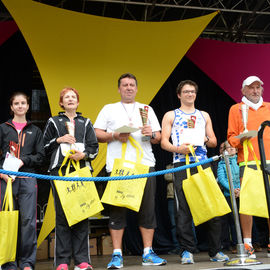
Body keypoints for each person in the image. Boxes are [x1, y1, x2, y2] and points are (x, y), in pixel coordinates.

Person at [94, 73, 166, 269]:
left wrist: (150, 133)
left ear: (136, 88)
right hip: (119, 166)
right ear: (119, 89)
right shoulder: (109, 109)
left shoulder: (147, 109)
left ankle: (148, 253)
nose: (128, 88)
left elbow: (158, 137)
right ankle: (117, 255)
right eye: (124, 85)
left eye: (132, 85)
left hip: (145, 165)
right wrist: (115, 135)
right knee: (117, 210)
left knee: (147, 211)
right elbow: (96, 133)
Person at [161, 80, 229, 264]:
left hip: (203, 163)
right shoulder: (170, 115)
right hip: (181, 164)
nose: (189, 94)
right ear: (179, 95)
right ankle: (187, 251)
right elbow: (163, 142)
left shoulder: (203, 115)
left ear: (196, 94)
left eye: (192, 91)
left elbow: (214, 141)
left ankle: (215, 251)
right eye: (186, 92)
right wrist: (178, 149)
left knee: (212, 206)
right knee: (183, 209)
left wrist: (203, 138)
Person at [43, 87, 99, 270]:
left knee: (82, 214)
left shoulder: (86, 122)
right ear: (61, 102)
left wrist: (83, 156)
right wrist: (59, 140)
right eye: (66, 97)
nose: (70, 99)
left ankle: (82, 260)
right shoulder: (53, 121)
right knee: (62, 216)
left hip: (82, 172)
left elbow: (94, 148)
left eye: (73, 96)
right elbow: (44, 147)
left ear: (78, 101)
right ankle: (62, 261)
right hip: (60, 173)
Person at [0, 92, 45, 270]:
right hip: (6, 180)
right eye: (16, 103)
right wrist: (1, 173)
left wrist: (23, 160)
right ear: (11, 107)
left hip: (28, 179)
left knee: (28, 221)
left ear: (27, 106)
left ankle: (27, 263)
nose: (20, 106)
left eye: (23, 103)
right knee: (7, 220)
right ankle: (8, 262)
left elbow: (41, 157)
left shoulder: (36, 130)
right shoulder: (2, 128)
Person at [227, 75, 270, 258]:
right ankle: (247, 243)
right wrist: (240, 139)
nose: (255, 91)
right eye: (251, 88)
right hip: (248, 162)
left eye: (258, 87)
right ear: (243, 90)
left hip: (269, 162)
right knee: (247, 205)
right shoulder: (236, 109)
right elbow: (231, 138)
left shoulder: (269, 107)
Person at [217, 141, 240, 254]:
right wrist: (232, 190)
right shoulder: (222, 163)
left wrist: (240, 189)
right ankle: (236, 244)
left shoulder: (240, 161)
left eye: (233, 148)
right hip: (229, 195)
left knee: (245, 218)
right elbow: (221, 179)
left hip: (241, 193)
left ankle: (252, 242)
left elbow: (242, 176)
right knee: (233, 220)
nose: (230, 149)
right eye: (228, 148)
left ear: (236, 150)